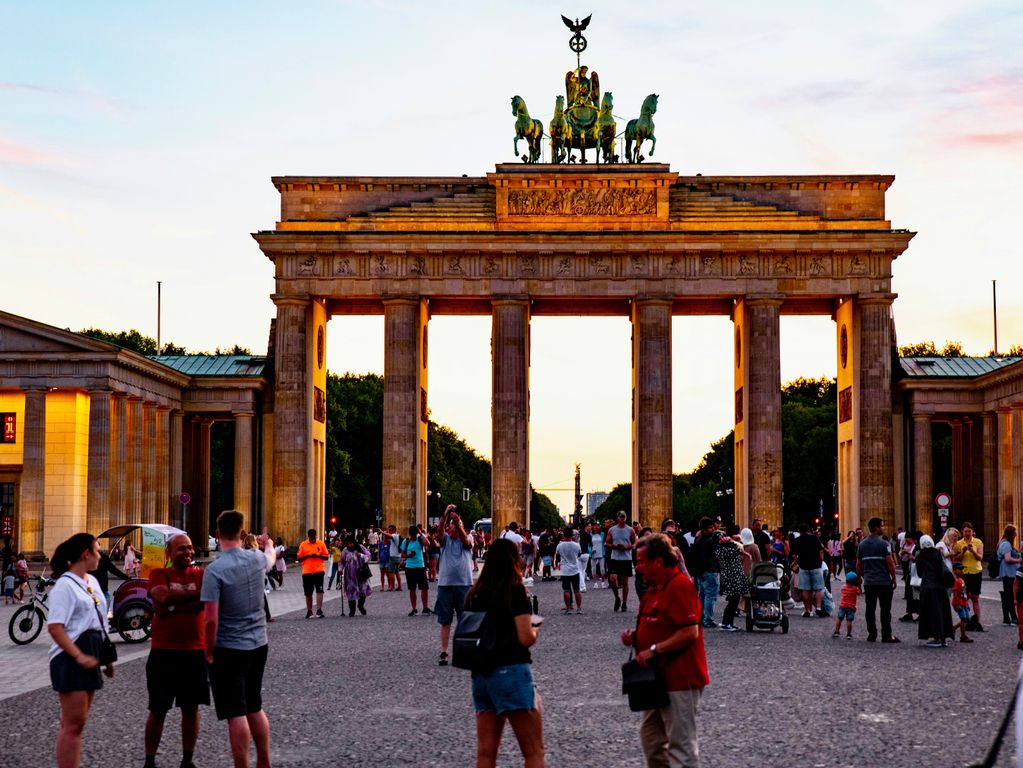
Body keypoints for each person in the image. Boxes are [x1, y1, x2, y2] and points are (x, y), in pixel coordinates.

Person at [621, 533, 709, 768]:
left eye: (640, 561)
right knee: (652, 739)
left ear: (657, 561)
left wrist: (653, 649)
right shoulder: (654, 587)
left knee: (681, 745)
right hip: (656, 678)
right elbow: (659, 623)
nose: (637, 567)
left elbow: (690, 631)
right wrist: (636, 637)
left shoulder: (679, 586)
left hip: (680, 676)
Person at [201, 510, 276, 768]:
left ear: (218, 534)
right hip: (258, 643)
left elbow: (210, 620)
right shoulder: (256, 559)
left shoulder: (214, 571)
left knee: (235, 712)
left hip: (228, 648)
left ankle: (241, 765)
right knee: (254, 704)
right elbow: (271, 558)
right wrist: (270, 544)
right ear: (243, 534)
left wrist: (208, 651)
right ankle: (264, 761)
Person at [465, 537, 544, 768]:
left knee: (486, 755)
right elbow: (525, 638)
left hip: (481, 675)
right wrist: (536, 628)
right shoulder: (515, 590)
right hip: (511, 671)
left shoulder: (474, 593)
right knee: (533, 752)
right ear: (514, 560)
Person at [46, 533, 116, 768]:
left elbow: (98, 620)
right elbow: (55, 627)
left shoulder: (92, 581)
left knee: (79, 723)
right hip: (71, 655)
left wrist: (106, 659)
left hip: (91, 652)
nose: (100, 555)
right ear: (86, 554)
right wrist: (78, 655)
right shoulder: (65, 586)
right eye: (97, 550)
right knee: (72, 724)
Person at [144, 533, 208, 768]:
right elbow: (161, 596)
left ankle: (187, 760)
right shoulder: (158, 573)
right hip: (163, 652)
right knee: (158, 709)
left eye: (190, 548)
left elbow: (167, 602)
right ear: (169, 552)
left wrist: (172, 604)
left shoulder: (200, 574)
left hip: (194, 651)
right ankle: (149, 761)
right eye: (181, 549)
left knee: (191, 709)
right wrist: (198, 597)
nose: (188, 553)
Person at [435, 505, 473, 666]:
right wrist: (445, 514)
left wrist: (458, 522)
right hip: (445, 585)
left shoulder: (467, 539)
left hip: (464, 584)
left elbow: (464, 538)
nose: (453, 527)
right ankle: (444, 651)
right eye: (451, 525)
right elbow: (439, 531)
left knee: (464, 619)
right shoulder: (445, 541)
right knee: (445, 620)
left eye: (455, 525)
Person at [855, 517, 899, 643]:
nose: (883, 528)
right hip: (884, 581)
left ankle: (872, 634)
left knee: (870, 609)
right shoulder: (885, 544)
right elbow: (890, 563)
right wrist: (894, 578)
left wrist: (859, 579)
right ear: (876, 528)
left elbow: (858, 564)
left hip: (869, 582)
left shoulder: (862, 545)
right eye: (881, 526)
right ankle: (886, 635)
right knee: (885, 610)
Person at [914, 534, 954, 648]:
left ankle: (935, 637)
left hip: (927, 585)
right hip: (940, 585)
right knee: (942, 611)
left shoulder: (920, 555)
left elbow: (920, 573)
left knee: (930, 612)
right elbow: (941, 569)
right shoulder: (937, 553)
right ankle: (943, 637)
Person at [715, 533, 750, 632]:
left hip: (735, 576)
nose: (724, 538)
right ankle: (726, 623)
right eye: (721, 538)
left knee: (735, 600)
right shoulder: (722, 549)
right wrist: (731, 542)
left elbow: (738, 549)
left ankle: (730, 622)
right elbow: (736, 550)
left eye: (724, 536)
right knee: (733, 600)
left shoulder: (727, 547)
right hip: (731, 577)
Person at [690, 517, 721, 628]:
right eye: (710, 527)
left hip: (701, 571)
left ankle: (702, 617)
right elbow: (712, 557)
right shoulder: (709, 541)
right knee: (711, 595)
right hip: (709, 570)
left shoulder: (699, 539)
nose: (712, 529)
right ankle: (708, 619)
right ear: (703, 529)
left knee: (702, 595)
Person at [790, 523, 826, 618]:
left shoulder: (797, 540)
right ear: (808, 530)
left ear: (799, 531)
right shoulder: (815, 538)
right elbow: (821, 551)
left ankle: (807, 610)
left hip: (804, 567)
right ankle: (818, 608)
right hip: (816, 566)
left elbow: (794, 555)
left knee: (805, 589)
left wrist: (798, 561)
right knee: (818, 588)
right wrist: (821, 561)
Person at [955, 522, 985, 632]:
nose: (967, 533)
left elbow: (980, 558)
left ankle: (977, 621)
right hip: (964, 573)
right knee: (965, 598)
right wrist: (962, 552)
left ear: (972, 532)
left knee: (975, 598)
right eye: (965, 531)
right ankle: (965, 620)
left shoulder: (978, 542)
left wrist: (972, 551)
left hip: (976, 572)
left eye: (969, 531)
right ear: (962, 532)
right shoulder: (959, 543)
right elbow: (956, 559)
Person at [607, 511, 638, 612]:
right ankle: (617, 597)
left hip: (626, 558)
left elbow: (635, 544)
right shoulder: (612, 530)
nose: (622, 519)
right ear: (617, 518)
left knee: (625, 582)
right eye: (620, 517)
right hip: (615, 557)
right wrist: (614, 546)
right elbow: (606, 543)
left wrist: (627, 547)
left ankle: (624, 602)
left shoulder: (630, 530)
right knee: (612, 579)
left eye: (624, 517)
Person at [297, 528, 329, 619]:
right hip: (307, 571)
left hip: (319, 570)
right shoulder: (303, 544)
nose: (313, 540)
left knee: (320, 590)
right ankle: (309, 610)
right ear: (308, 537)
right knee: (308, 592)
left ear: (316, 536)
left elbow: (326, 557)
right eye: (311, 539)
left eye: (314, 538)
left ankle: (319, 610)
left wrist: (319, 555)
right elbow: (298, 558)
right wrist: (308, 555)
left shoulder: (321, 543)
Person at [401, 525, 432, 616]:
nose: (414, 535)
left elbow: (428, 543)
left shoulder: (420, 540)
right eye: (413, 533)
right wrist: (409, 555)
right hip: (410, 567)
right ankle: (414, 608)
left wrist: (421, 533)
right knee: (412, 589)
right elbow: (402, 554)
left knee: (424, 588)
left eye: (415, 533)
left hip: (420, 566)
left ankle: (425, 607)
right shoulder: (406, 541)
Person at [340, 536, 371, 617]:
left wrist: (360, 555)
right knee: (351, 591)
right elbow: (342, 561)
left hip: (361, 573)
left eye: (351, 543)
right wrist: (340, 569)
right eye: (348, 544)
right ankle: (352, 610)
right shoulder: (345, 550)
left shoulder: (360, 547)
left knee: (362, 590)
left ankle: (360, 605)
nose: (350, 545)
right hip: (350, 575)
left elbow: (368, 556)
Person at [996, 525, 1021, 626]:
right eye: (1015, 532)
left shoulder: (1002, 543)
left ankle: (1007, 617)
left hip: (1006, 572)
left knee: (1007, 595)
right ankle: (1014, 618)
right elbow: (1008, 559)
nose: (1016, 534)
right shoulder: (1006, 544)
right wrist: (1019, 560)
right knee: (1010, 595)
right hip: (1009, 572)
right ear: (1011, 533)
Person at [555, 527, 583, 614]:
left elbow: (558, 555)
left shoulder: (560, 545)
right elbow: (579, 554)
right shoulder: (577, 545)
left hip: (565, 570)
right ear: (572, 535)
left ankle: (568, 608)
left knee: (566, 590)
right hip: (575, 569)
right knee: (577, 590)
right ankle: (579, 608)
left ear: (564, 534)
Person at [951, 562, 973, 644]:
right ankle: (963, 636)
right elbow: (955, 593)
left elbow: (964, 593)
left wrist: (967, 603)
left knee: (966, 619)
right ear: (954, 571)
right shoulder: (956, 581)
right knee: (963, 619)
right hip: (959, 603)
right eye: (959, 569)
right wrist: (958, 604)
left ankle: (954, 628)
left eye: (962, 569)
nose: (961, 571)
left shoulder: (962, 580)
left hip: (963, 603)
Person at [833, 571, 860, 639]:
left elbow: (842, 591)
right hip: (851, 607)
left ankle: (836, 631)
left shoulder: (843, 587)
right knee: (849, 620)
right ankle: (848, 634)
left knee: (839, 619)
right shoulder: (855, 589)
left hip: (843, 606)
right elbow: (859, 593)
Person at [383, 525, 403, 592]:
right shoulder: (397, 536)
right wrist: (386, 533)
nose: (389, 531)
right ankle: (399, 586)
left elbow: (388, 537)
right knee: (397, 572)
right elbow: (385, 540)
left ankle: (392, 587)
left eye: (390, 530)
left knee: (391, 572)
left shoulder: (394, 535)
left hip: (393, 557)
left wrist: (382, 532)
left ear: (394, 530)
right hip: (398, 556)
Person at [590, 520, 607, 588]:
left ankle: (603, 582)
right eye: (594, 525)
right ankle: (595, 583)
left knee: (602, 569)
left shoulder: (602, 534)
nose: (596, 527)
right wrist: (590, 551)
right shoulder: (590, 535)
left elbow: (604, 543)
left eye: (597, 525)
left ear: (599, 526)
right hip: (593, 553)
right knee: (593, 569)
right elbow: (589, 545)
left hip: (601, 553)